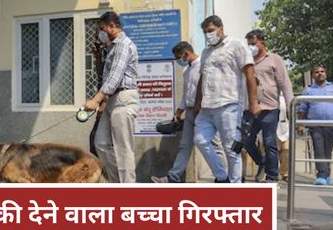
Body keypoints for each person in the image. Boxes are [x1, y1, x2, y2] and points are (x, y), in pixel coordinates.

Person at [194, 15, 260, 183]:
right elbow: (202, 78)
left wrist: (253, 103)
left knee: (231, 149)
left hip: (228, 104)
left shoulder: (237, 45)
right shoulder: (206, 52)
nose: (208, 34)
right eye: (205, 32)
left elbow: (250, 74)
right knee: (200, 140)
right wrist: (198, 102)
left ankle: (235, 186)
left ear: (221, 29)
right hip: (207, 106)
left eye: (211, 30)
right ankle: (222, 176)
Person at [151, 42, 226, 183]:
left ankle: (223, 177)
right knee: (185, 145)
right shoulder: (187, 70)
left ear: (186, 54)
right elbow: (187, 94)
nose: (178, 61)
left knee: (214, 145)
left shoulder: (204, 66)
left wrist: (203, 108)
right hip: (191, 113)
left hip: (205, 112)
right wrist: (179, 111)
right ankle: (173, 177)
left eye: (178, 57)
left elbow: (210, 90)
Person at [84, 11, 140, 183]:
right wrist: (98, 56)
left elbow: (115, 77)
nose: (100, 33)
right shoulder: (111, 47)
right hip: (111, 100)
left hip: (123, 98)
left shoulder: (123, 45)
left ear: (112, 26)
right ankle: (117, 184)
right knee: (100, 143)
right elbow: (104, 77)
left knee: (123, 150)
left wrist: (96, 100)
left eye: (102, 29)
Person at [241, 29, 294, 183]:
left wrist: (290, 106)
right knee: (246, 140)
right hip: (249, 109)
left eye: (253, 43)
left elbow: (285, 84)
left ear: (262, 42)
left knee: (269, 142)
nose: (250, 47)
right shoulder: (246, 61)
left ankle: (272, 177)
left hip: (269, 108)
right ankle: (262, 162)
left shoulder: (274, 59)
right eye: (248, 44)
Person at [298, 65, 333, 185]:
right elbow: (303, 108)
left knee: (327, 150)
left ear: (326, 74)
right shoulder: (308, 90)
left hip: (330, 124)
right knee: (319, 149)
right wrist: (300, 124)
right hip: (315, 125)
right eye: (317, 72)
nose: (320, 73)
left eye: (322, 71)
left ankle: (326, 175)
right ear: (313, 75)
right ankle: (321, 175)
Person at [88, 27, 112, 157]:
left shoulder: (113, 51)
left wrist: (104, 103)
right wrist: (97, 57)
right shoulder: (104, 52)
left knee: (98, 141)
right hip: (103, 97)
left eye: (100, 33)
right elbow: (100, 75)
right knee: (95, 142)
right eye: (96, 36)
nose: (98, 38)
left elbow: (113, 80)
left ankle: (112, 167)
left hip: (110, 100)